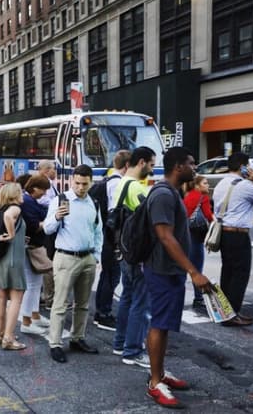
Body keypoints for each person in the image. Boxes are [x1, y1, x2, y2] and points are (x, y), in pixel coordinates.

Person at [144, 147, 211, 408]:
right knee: (159, 324)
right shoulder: (162, 194)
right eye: (192, 164)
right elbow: (164, 236)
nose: (195, 168)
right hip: (161, 270)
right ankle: (154, 383)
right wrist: (193, 271)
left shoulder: (172, 192)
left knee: (165, 322)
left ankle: (159, 373)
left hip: (169, 270)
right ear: (178, 167)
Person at [43, 164, 103, 363]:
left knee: (83, 304)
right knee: (60, 304)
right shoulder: (60, 200)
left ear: (90, 182)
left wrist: (96, 256)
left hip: (87, 257)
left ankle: (77, 338)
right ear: (72, 181)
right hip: (66, 257)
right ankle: (55, 343)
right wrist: (57, 216)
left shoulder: (93, 201)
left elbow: (98, 230)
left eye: (85, 184)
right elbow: (48, 229)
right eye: (77, 183)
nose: (80, 187)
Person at [111, 147, 155, 368]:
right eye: (151, 164)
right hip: (137, 253)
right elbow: (150, 217)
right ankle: (133, 350)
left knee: (128, 297)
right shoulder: (136, 186)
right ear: (141, 163)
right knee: (140, 301)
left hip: (123, 249)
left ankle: (120, 343)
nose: (152, 169)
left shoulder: (120, 183)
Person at [212, 151, 253, 326]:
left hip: (224, 234)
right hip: (238, 235)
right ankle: (232, 314)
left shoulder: (222, 183)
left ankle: (225, 313)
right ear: (242, 167)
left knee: (228, 273)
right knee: (240, 274)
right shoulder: (245, 185)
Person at [93, 150, 130, 331]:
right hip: (111, 237)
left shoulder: (107, 180)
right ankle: (104, 313)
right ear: (127, 166)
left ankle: (100, 311)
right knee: (111, 275)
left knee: (106, 275)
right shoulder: (118, 184)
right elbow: (116, 214)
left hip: (105, 236)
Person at [0, 183, 28, 350]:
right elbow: (8, 217)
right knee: (16, 299)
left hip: (1, 257)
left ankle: (0, 333)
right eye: (21, 192)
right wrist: (12, 235)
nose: (23, 195)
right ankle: (9, 338)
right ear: (15, 194)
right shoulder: (14, 208)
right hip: (13, 258)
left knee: (1, 296)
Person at [20, 174, 52, 335]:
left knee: (35, 284)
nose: (44, 193)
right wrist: (50, 221)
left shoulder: (28, 201)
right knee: (31, 286)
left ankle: (35, 315)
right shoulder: (28, 203)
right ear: (34, 188)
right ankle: (26, 321)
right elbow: (33, 226)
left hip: (31, 246)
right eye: (43, 190)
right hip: (30, 247)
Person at [183, 176, 214, 312]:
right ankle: (198, 299)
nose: (208, 185)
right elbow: (208, 215)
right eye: (205, 183)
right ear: (197, 185)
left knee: (185, 267)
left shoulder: (188, 195)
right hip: (196, 236)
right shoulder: (203, 197)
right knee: (197, 268)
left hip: (186, 234)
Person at [37, 159, 59, 310]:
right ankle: (48, 297)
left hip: (48, 225)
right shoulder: (42, 184)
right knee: (48, 264)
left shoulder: (49, 183)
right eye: (53, 169)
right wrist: (57, 203)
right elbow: (43, 201)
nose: (55, 171)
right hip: (45, 225)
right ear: (46, 170)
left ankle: (44, 295)